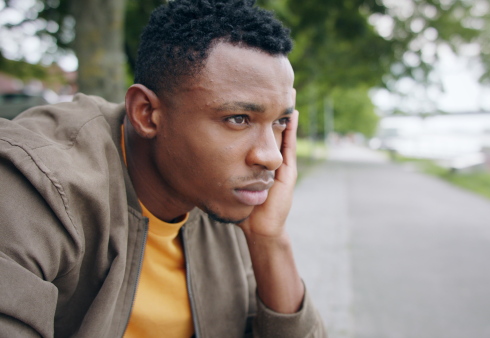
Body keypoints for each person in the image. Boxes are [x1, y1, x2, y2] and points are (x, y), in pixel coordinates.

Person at [0, 0, 326, 336]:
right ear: (146, 113)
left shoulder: (224, 203)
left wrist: (269, 239)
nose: (271, 157)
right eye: (238, 118)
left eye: (281, 121)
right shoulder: (35, 186)